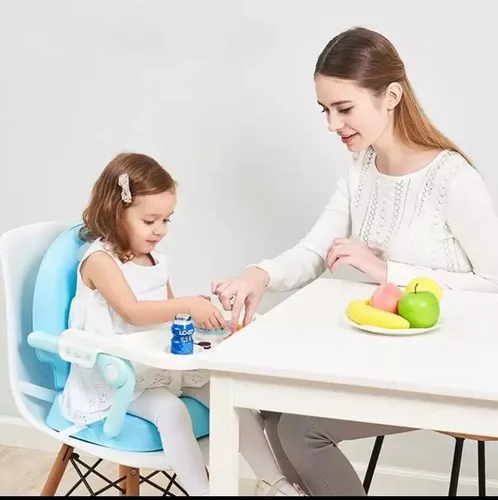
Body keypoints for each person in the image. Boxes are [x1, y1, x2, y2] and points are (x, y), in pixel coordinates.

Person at [212, 26, 498, 496]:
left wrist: (388, 273)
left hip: (451, 365)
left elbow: (492, 282)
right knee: (270, 406)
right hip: (379, 356)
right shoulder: (361, 169)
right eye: (325, 110)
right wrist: (259, 275)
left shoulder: (453, 179)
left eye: (344, 108)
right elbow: (315, 250)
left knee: (302, 432)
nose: (332, 124)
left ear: (391, 96)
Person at [59, 152, 306, 496]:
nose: (159, 230)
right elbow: (132, 311)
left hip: (154, 363)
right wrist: (184, 305)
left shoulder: (154, 259)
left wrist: (206, 312)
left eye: (166, 220)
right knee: (171, 411)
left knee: (229, 397)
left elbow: (165, 311)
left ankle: (276, 483)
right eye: (150, 221)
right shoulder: (100, 260)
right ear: (117, 212)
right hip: (116, 373)